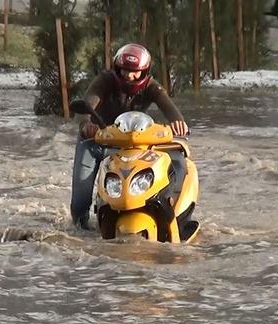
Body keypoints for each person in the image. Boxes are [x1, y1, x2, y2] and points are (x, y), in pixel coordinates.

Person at [70, 43, 190, 230]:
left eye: (135, 72)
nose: (129, 75)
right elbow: (87, 105)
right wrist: (86, 125)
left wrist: (179, 124)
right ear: (117, 68)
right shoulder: (105, 80)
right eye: (125, 70)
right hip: (97, 140)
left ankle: (169, 216)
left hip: (132, 143)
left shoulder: (152, 87)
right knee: (81, 198)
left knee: (174, 162)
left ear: (145, 72)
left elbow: (171, 110)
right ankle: (79, 229)